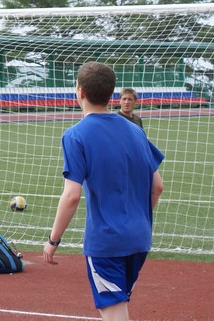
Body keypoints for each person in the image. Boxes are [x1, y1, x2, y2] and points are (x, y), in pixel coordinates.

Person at [43, 63, 164, 321]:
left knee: (113, 310)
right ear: (112, 94)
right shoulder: (136, 131)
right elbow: (157, 187)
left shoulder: (75, 135)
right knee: (117, 304)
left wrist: (53, 240)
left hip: (107, 241)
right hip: (139, 238)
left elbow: (72, 195)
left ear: (80, 90)